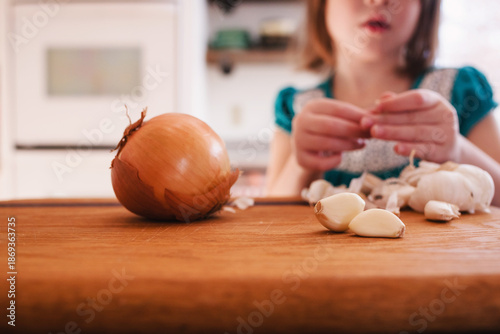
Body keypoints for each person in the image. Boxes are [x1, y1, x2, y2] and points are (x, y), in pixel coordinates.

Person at [265, 0, 500, 207]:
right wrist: (300, 164)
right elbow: (268, 219)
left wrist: (458, 150)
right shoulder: (296, 108)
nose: (378, 1)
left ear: (425, 6)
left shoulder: (461, 91)